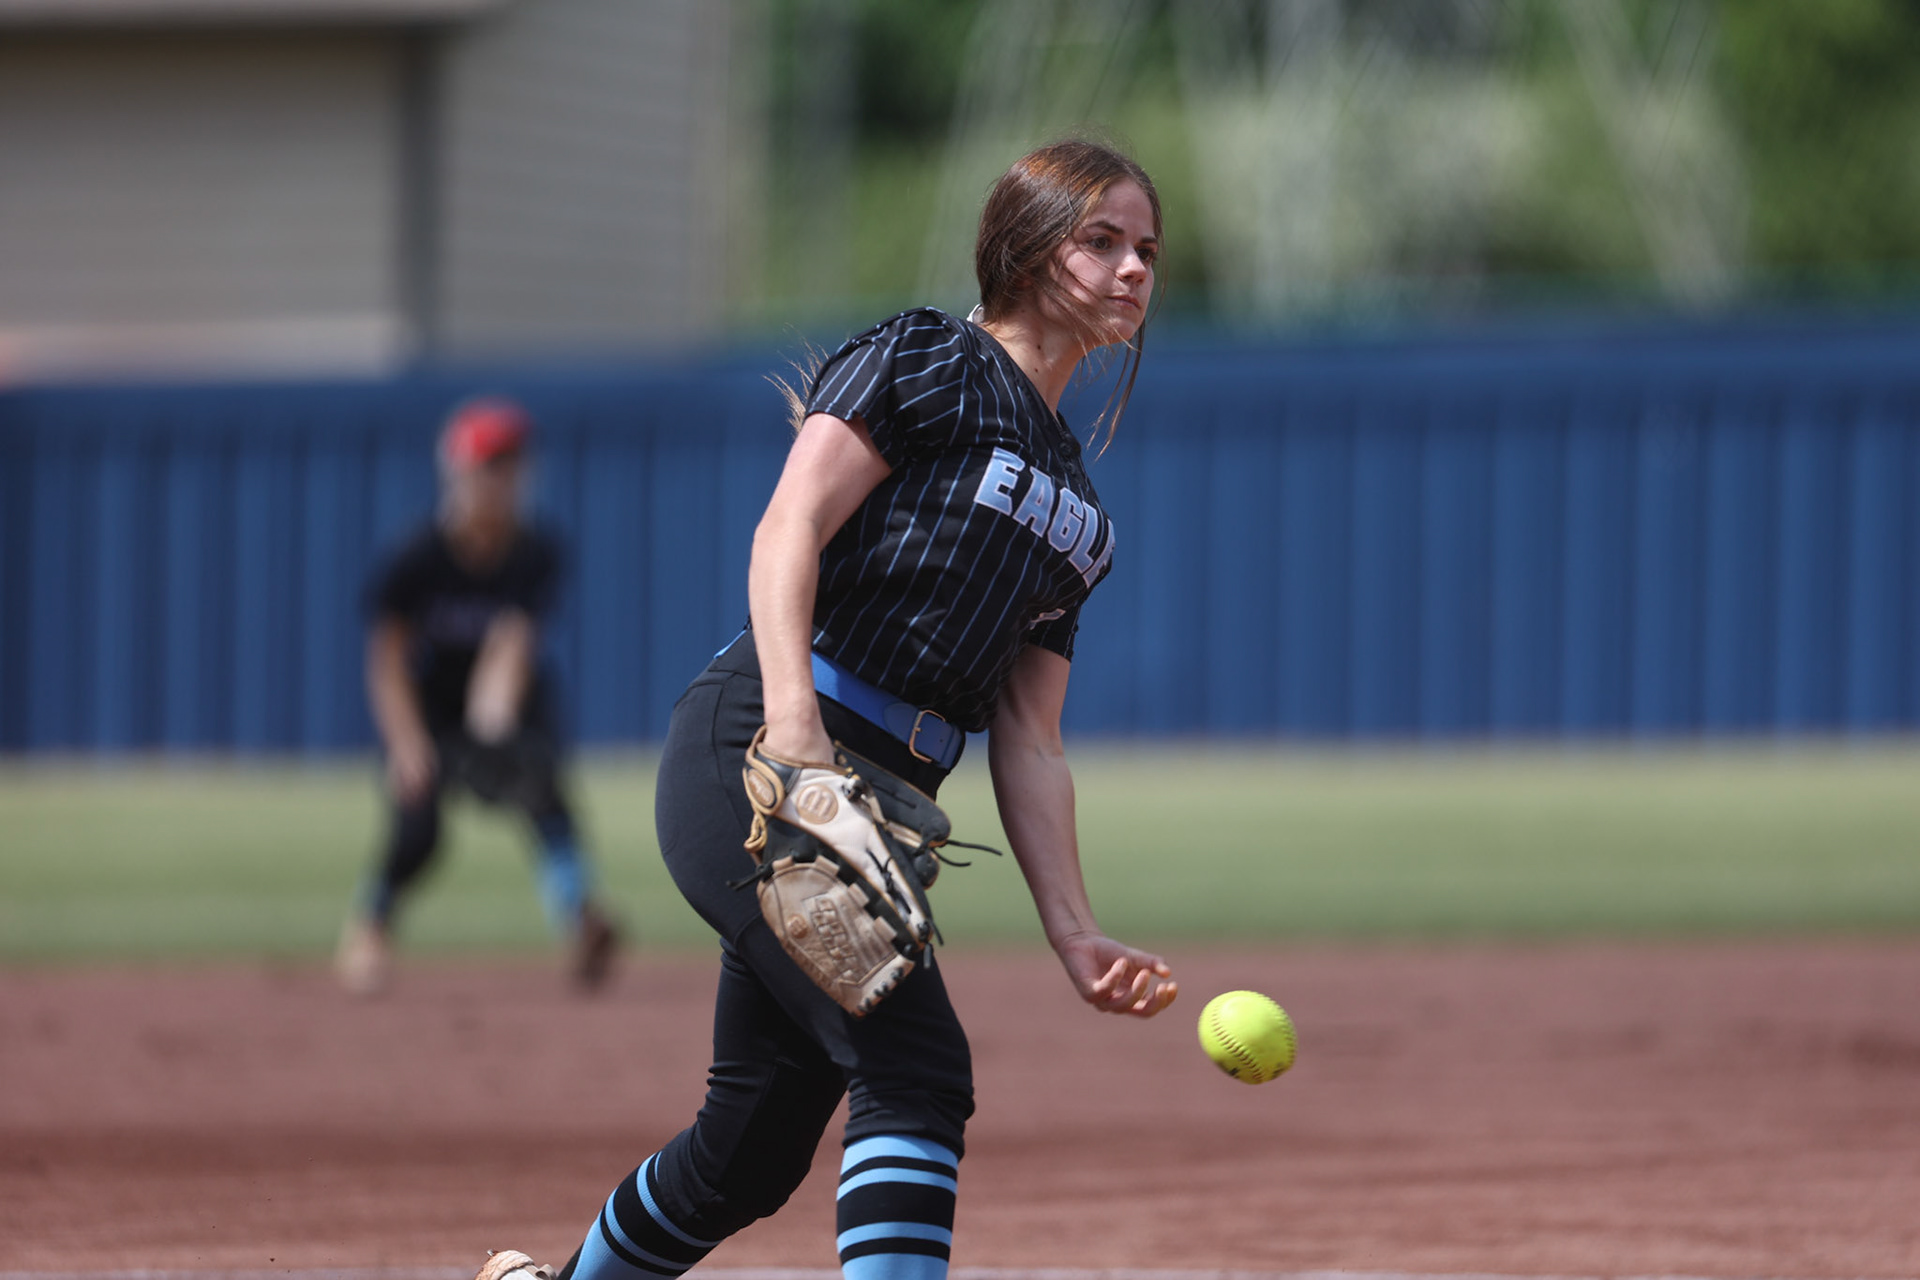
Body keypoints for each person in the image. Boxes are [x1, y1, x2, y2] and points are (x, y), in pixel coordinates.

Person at [482, 138, 1176, 1280]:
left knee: (749, 1149)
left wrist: (1074, 928)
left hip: (884, 805)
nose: (1133, 268)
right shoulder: (929, 357)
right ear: (1023, 245)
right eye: (1101, 239)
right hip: (760, 747)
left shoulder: (1083, 518)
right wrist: (798, 737)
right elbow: (786, 528)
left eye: (1146, 248)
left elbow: (1033, 735)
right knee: (916, 1067)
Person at [336, 396, 619, 996]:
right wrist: (407, 744)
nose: (504, 477)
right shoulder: (415, 557)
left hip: (506, 693)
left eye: (513, 463)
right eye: (490, 463)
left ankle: (580, 920)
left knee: (545, 792)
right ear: (458, 473)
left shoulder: (537, 550)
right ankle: (368, 926)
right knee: (419, 830)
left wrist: (496, 717)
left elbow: (513, 642)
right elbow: (386, 660)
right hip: (429, 702)